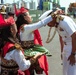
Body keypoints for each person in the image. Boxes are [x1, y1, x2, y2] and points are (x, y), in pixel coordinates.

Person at [15, 7, 59, 75]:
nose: (30, 16)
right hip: (28, 54)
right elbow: (40, 23)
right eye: (29, 15)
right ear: (25, 17)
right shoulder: (26, 28)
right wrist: (53, 15)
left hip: (27, 53)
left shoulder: (23, 27)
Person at [39, 9, 76, 75]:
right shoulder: (56, 23)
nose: (48, 25)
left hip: (73, 46)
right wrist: (62, 52)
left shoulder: (64, 21)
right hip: (66, 47)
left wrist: (73, 54)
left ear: (53, 18)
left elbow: (74, 36)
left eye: (48, 22)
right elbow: (61, 37)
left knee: (72, 71)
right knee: (65, 72)